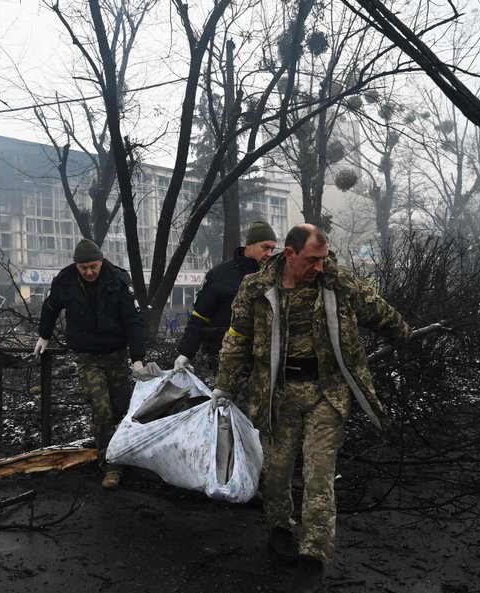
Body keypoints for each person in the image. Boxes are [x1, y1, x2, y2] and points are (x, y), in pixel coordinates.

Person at [210, 224, 411, 593]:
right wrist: (224, 384)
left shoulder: (336, 282)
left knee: (320, 474)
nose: (320, 265)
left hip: (326, 392)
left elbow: (376, 309)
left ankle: (313, 555)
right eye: (312, 259)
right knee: (277, 470)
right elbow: (237, 336)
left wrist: (403, 334)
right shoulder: (256, 289)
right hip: (277, 394)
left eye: (323, 258)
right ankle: (280, 530)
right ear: (289, 254)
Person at [33, 238, 146, 490]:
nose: (89, 272)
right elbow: (50, 307)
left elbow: (133, 320)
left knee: (124, 407)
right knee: (101, 407)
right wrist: (44, 335)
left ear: (101, 262)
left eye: (93, 266)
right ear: (76, 266)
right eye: (83, 267)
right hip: (86, 355)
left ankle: (129, 451)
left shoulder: (118, 281)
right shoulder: (65, 280)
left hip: (116, 354)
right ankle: (111, 466)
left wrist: (137, 358)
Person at [173, 220, 278, 373]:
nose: (270, 253)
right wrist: (185, 353)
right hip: (225, 358)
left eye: (273, 249)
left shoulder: (274, 277)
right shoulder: (220, 276)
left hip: (264, 360)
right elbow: (200, 316)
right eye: (265, 247)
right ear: (249, 245)